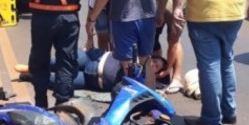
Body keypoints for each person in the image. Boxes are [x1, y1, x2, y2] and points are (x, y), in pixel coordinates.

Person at [14, 49, 171, 92]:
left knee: (60, 81)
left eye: (157, 67)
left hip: (92, 80)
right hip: (93, 57)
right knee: (62, 62)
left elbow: (156, 90)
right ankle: (32, 67)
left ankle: (30, 76)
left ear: (156, 74)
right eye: (156, 61)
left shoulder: (142, 82)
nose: (154, 64)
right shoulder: (137, 56)